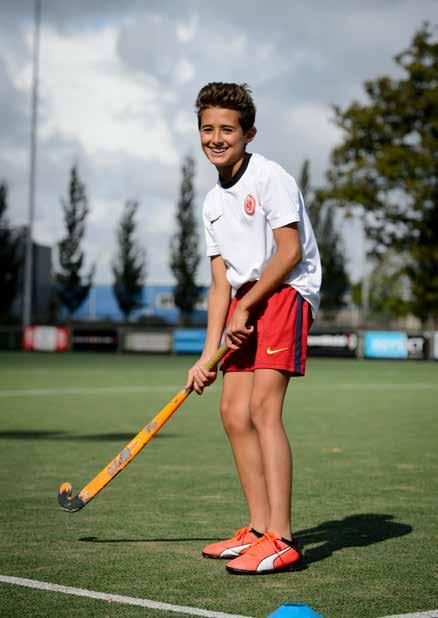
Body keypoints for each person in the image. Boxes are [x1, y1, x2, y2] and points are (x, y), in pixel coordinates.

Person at [186, 82, 321, 575]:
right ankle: (259, 529)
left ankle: (282, 538)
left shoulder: (271, 178)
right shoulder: (211, 204)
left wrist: (251, 305)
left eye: (227, 129)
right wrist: (207, 354)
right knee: (231, 411)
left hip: (285, 291)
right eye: (207, 129)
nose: (216, 138)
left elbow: (290, 253)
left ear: (249, 133)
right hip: (247, 298)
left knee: (264, 408)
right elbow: (220, 286)